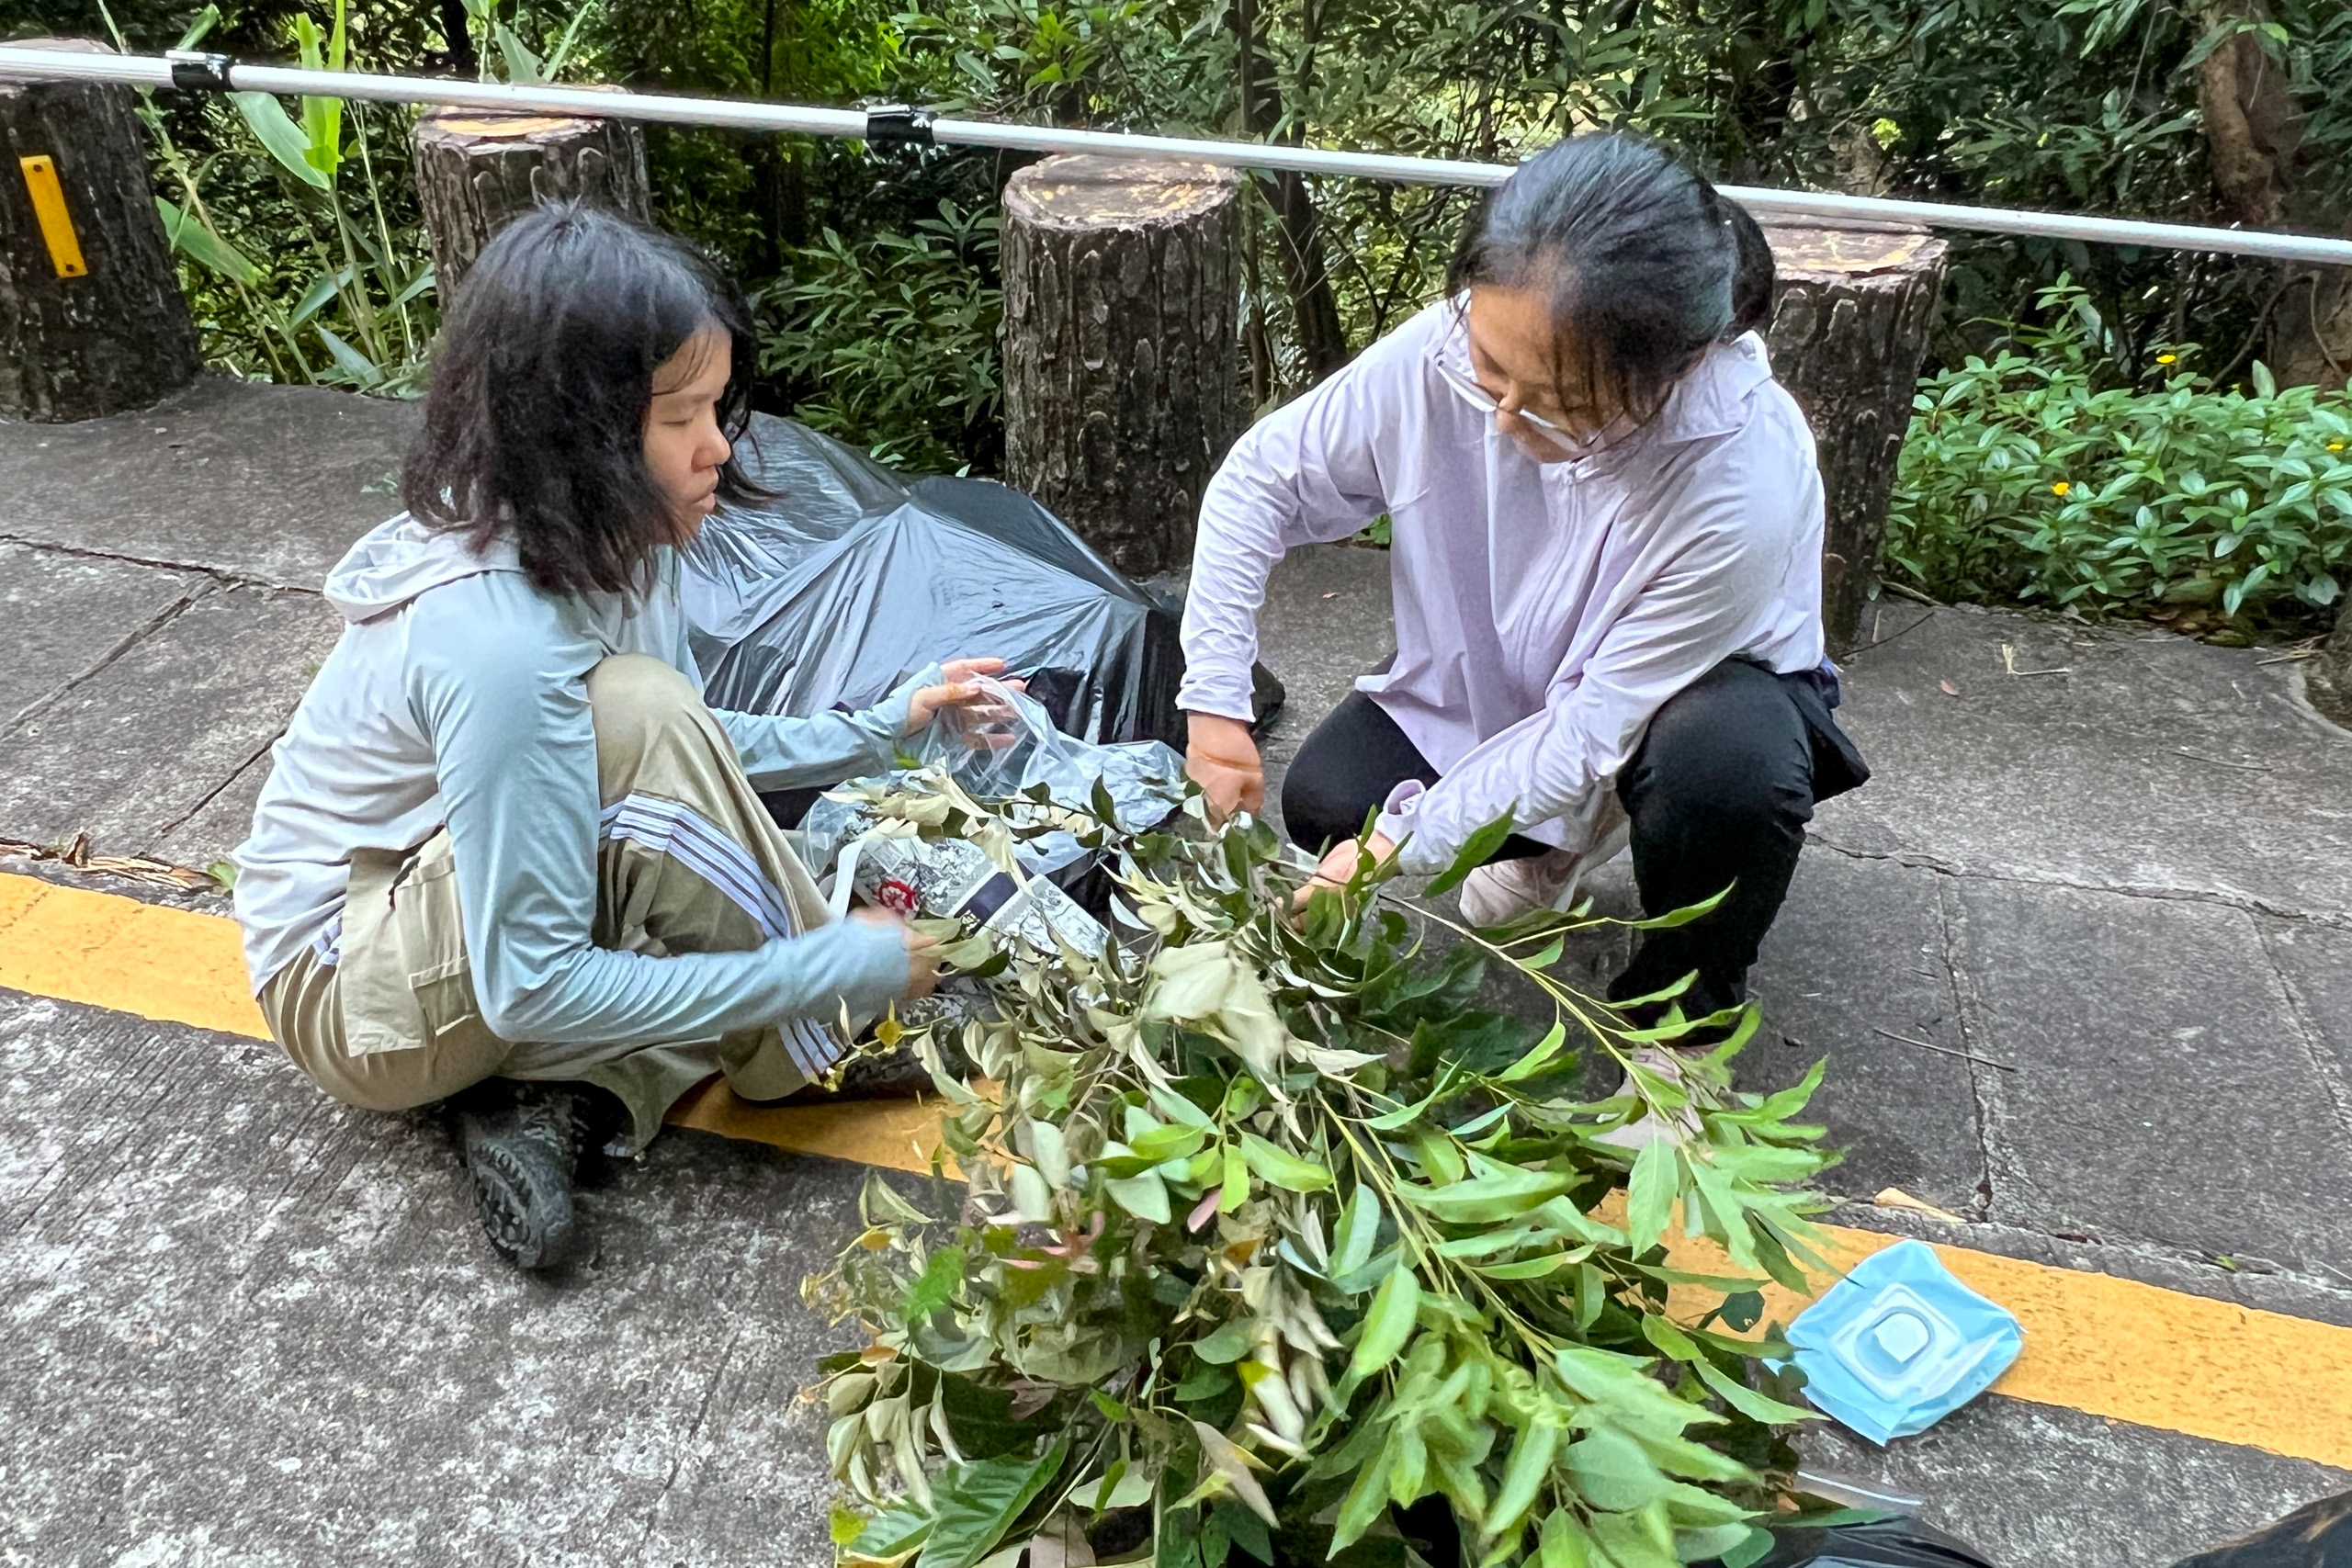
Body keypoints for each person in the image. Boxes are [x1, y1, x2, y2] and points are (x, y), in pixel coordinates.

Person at [232, 206, 1008, 1269]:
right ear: (578, 435)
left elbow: (683, 748)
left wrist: (884, 726)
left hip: (442, 913)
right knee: (706, 867)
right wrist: (827, 962)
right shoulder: (498, 638)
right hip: (350, 991)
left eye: (717, 408)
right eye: (681, 416)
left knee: (695, 834)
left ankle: (561, 1092)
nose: (718, 446)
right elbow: (531, 978)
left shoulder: (616, 537)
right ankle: (802, 1043)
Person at [1179, 131, 1869, 1047]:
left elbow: (1588, 728)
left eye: (1553, 400)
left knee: (1723, 773)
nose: (1504, 418)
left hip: (1692, 699)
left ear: (1676, 369)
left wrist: (1392, 851)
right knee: (1332, 803)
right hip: (1509, 675)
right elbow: (1259, 483)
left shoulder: (1739, 483)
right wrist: (1215, 704)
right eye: (1489, 370)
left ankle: (1680, 1026)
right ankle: (1550, 844)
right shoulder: (1443, 348)